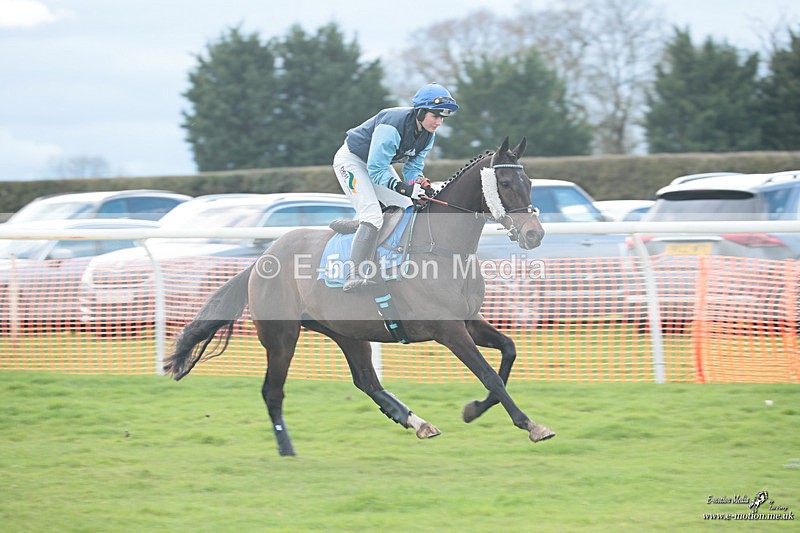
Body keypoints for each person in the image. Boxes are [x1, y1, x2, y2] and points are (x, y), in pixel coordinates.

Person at [333, 82, 459, 292]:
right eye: (435, 116)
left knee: (405, 207)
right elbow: (376, 169)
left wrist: (420, 184)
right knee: (372, 216)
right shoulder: (392, 125)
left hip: (378, 165)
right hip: (352, 162)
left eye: (442, 118)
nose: (439, 122)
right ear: (420, 112)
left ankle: (361, 229)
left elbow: (412, 170)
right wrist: (405, 188)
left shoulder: (428, 134)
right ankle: (353, 274)